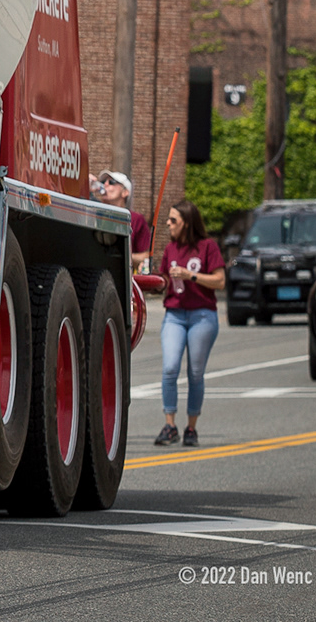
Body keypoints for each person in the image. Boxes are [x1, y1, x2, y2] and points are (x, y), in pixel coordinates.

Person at [152, 198, 225, 448]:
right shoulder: (170, 249)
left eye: (173, 220)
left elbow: (220, 281)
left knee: (195, 372)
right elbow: (163, 280)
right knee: (170, 368)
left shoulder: (207, 247)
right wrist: (155, 280)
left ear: (187, 223)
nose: (168, 224)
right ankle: (169, 425)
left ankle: (191, 427)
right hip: (174, 314)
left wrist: (190, 275)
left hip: (202, 315)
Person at [98, 171, 152, 273]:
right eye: (103, 182)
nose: (105, 184)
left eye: (112, 182)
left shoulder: (136, 219)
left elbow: (146, 256)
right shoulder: (96, 215)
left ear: (125, 192)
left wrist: (124, 257)